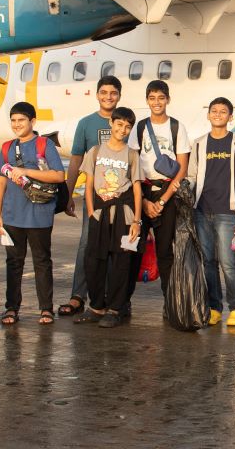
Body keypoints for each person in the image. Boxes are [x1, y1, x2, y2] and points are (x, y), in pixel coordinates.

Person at [0, 101, 67, 326]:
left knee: (41, 262)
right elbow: (1, 182)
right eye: (13, 121)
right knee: (14, 263)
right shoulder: (6, 148)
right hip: (12, 215)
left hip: (39, 214)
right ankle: (11, 308)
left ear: (32, 122)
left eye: (21, 120)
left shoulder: (45, 145)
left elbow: (58, 176)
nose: (17, 125)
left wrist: (25, 171)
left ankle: (46, 309)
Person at [60, 75, 122, 318]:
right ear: (97, 95)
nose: (108, 97)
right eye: (104, 92)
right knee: (87, 244)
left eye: (113, 93)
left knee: (115, 248)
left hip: (120, 197)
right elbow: (76, 159)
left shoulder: (126, 122)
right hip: (93, 197)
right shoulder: (86, 124)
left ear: (119, 96)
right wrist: (67, 192)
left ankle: (111, 299)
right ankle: (78, 295)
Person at [189, 97, 235, 327]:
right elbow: (192, 176)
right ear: (208, 115)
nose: (217, 114)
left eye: (223, 111)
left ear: (230, 116)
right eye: (214, 111)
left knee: (228, 262)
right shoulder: (198, 144)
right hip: (201, 210)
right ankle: (214, 307)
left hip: (228, 212)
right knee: (208, 261)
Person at [79, 107, 143, 328]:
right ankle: (96, 306)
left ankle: (116, 308)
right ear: (111, 124)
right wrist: (90, 211)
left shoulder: (132, 155)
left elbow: (136, 189)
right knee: (94, 260)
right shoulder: (95, 152)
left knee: (122, 262)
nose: (122, 129)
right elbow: (88, 185)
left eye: (127, 126)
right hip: (99, 214)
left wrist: (136, 221)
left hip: (124, 217)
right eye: (119, 124)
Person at [130, 80, 191, 300]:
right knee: (134, 248)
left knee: (165, 251)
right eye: (152, 98)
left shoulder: (177, 127)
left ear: (168, 100)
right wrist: (144, 202)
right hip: (143, 191)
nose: (157, 102)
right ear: (147, 100)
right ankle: (123, 302)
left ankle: (170, 301)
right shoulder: (139, 128)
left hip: (168, 192)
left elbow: (182, 168)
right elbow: (133, 163)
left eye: (161, 98)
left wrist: (163, 201)